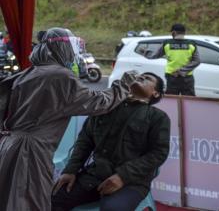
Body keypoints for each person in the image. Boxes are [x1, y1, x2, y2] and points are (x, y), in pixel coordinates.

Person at [0, 27, 137, 211]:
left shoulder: (29, 73)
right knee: (30, 203)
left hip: (10, 145)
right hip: (30, 152)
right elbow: (98, 102)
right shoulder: (60, 76)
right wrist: (124, 86)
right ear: (62, 49)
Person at [52, 74, 170, 211]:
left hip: (131, 182)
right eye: (139, 76)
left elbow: (158, 154)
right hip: (95, 175)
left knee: (113, 209)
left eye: (147, 78)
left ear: (156, 93)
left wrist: (122, 176)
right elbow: (85, 141)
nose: (141, 77)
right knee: (52, 198)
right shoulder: (107, 106)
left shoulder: (158, 117)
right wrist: (70, 170)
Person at [149, 23, 200, 96]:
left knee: (171, 100)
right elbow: (197, 61)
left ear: (174, 32)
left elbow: (153, 56)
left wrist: (144, 52)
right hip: (187, 78)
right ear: (185, 33)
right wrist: (182, 70)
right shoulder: (191, 44)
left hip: (172, 77)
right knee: (189, 101)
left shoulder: (167, 43)